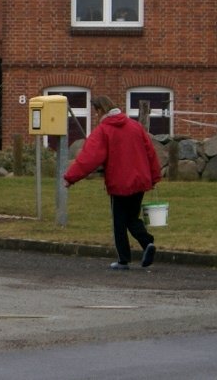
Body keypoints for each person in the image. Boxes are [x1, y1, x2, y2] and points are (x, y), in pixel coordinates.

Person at [63, 95, 162, 270]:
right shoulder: (135, 126)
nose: (95, 116)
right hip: (140, 180)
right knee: (132, 218)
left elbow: (89, 158)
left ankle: (124, 259)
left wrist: (70, 177)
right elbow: (150, 153)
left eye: (96, 112)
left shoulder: (103, 130)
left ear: (100, 110)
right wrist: (154, 177)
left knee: (119, 222)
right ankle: (147, 242)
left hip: (119, 182)